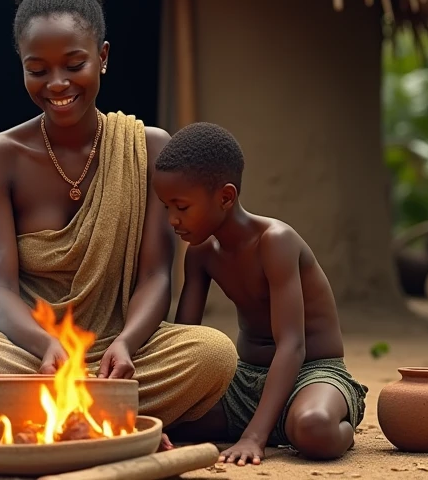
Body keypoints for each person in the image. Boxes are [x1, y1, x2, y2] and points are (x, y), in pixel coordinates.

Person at [0, 0, 238, 439]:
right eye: (38, 69)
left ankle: (56, 417)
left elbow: (157, 277)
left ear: (104, 57)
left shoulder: (149, 148)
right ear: (21, 66)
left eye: (74, 65)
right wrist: (46, 346)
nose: (57, 83)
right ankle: (111, 419)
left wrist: (128, 345)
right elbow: (1, 291)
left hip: (124, 355)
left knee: (213, 353)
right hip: (31, 354)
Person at [152, 122, 369, 465]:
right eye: (166, 207)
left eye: (181, 206)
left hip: (311, 373)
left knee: (314, 430)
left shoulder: (275, 242)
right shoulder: (201, 254)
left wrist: (254, 437)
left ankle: (341, 417)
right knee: (171, 426)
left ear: (225, 197)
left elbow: (293, 345)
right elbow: (186, 339)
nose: (172, 220)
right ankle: (277, 423)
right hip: (244, 383)